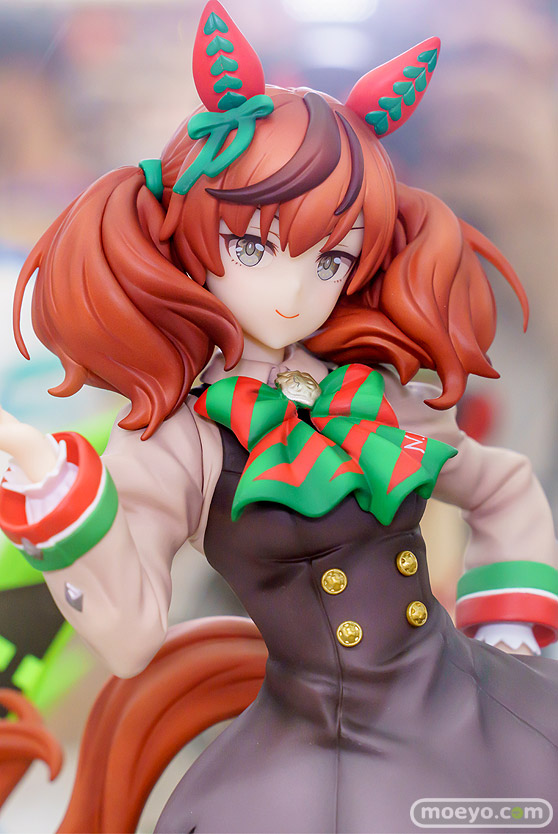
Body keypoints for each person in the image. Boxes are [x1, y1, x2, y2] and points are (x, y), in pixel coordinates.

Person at [0, 2, 557, 831]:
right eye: (253, 247)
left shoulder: (370, 395)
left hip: (465, 691)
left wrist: (509, 627)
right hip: (321, 741)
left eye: (333, 258)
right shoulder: (184, 437)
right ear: (189, 236)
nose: (296, 291)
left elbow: (502, 485)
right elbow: (132, 638)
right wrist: (60, 503)